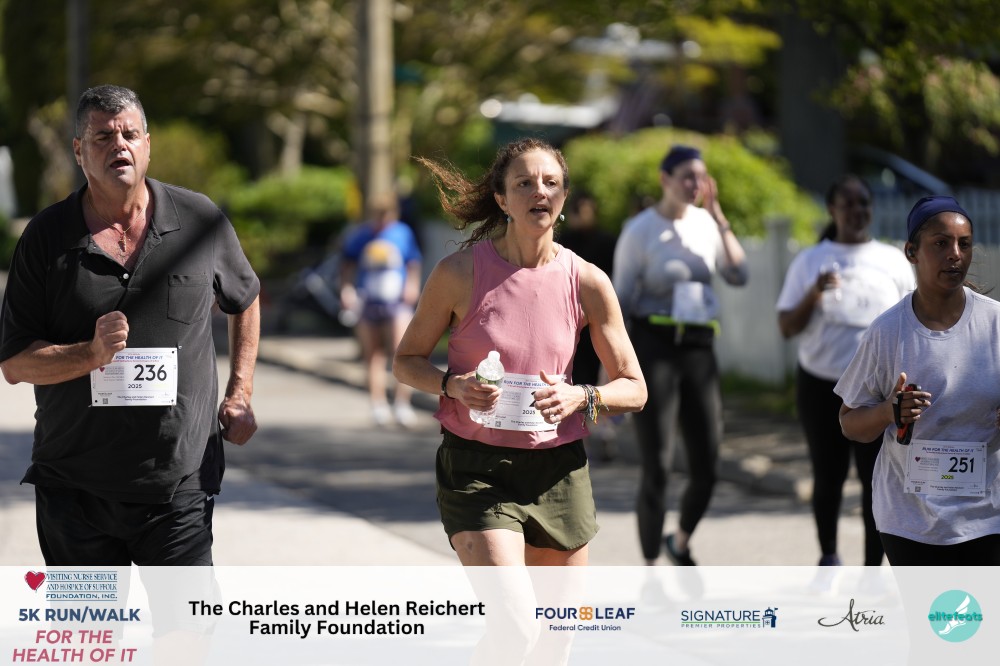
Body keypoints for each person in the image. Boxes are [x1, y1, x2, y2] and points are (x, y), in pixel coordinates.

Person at [0, 84, 260, 567]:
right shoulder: (46, 237)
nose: (118, 145)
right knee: (92, 617)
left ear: (147, 145)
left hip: (179, 484)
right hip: (75, 493)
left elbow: (245, 297)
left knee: (186, 614)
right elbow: (15, 364)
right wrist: (90, 354)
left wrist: (240, 392)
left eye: (129, 135)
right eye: (102, 137)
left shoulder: (199, 219)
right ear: (79, 151)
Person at [393, 137, 646, 569]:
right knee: (512, 606)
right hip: (477, 467)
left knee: (560, 616)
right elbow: (405, 361)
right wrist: (453, 386)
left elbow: (635, 389)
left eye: (550, 182)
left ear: (563, 197)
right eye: (524, 183)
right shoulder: (458, 273)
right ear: (502, 200)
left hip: (558, 468)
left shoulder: (588, 282)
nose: (539, 191)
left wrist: (581, 396)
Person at [837, 195, 1000, 565]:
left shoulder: (995, 325)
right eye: (941, 243)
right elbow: (849, 423)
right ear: (911, 252)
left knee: (976, 606)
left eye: (964, 244)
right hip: (909, 521)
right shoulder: (887, 332)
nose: (955, 254)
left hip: (986, 518)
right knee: (935, 607)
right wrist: (888, 412)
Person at [613, 144, 748, 566]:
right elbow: (618, 303)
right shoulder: (640, 230)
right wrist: (611, 371)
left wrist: (721, 219)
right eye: (688, 176)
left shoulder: (706, 224)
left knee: (707, 466)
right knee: (657, 466)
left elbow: (739, 274)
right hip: (654, 348)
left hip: (698, 350)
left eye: (701, 176)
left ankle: (681, 541)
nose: (695, 184)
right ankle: (650, 567)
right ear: (665, 179)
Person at [776, 175, 914, 569]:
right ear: (832, 209)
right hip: (822, 385)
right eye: (848, 203)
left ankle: (873, 571)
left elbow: (912, 321)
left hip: (877, 393)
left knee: (876, 483)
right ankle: (829, 558)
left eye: (863, 203)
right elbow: (786, 327)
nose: (857, 211)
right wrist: (814, 294)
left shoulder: (891, 260)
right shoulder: (810, 261)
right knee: (828, 476)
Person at [340, 193, 422, 427]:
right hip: (368, 300)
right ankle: (378, 404)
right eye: (378, 214)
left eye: (386, 214)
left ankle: (402, 404)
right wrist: (346, 289)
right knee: (373, 355)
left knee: (402, 352)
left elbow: (413, 262)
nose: (382, 218)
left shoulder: (402, 233)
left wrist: (412, 286)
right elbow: (347, 264)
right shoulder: (362, 234)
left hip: (396, 301)